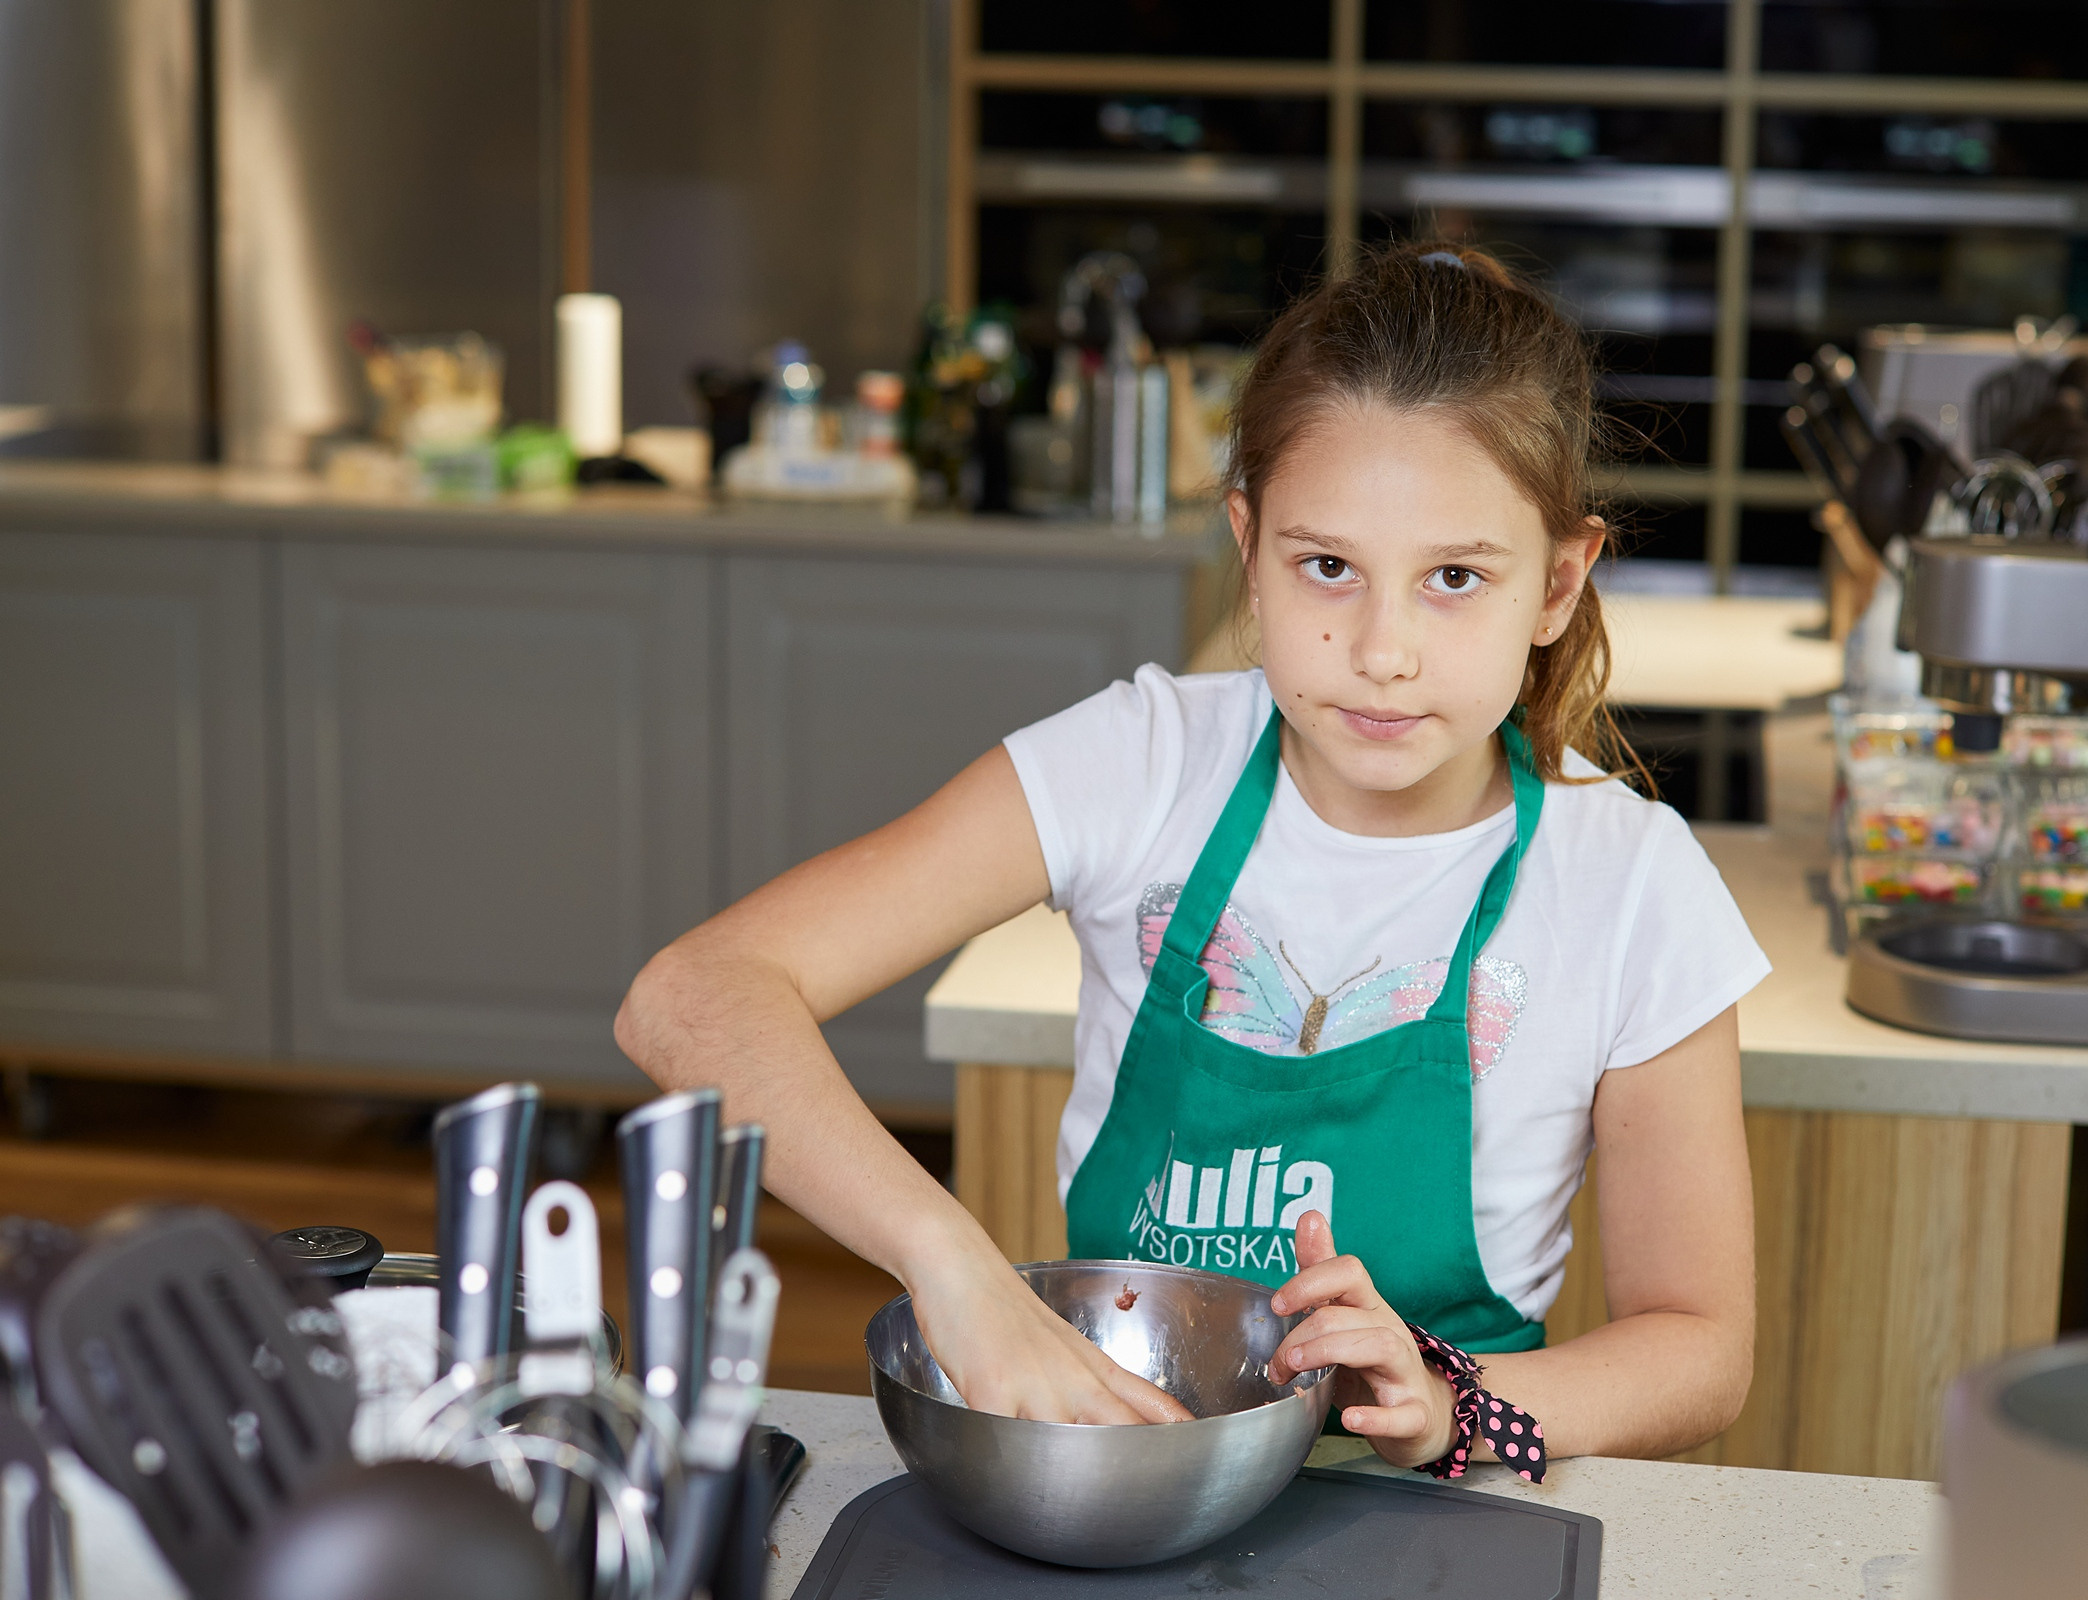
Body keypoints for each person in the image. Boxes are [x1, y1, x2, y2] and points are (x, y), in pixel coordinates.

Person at [616, 243, 1767, 1475]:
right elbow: (691, 999)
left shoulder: (1630, 882)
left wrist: (1452, 1399)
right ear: (1250, 549)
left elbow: (1699, 1344)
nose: (1383, 649)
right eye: (1327, 566)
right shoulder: (1144, 763)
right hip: (1123, 1477)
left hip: (1440, 1510)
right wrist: (955, 1267)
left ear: (1557, 582)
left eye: (1453, 579)